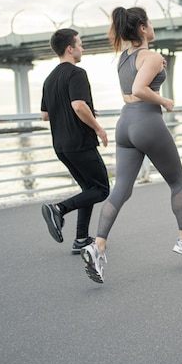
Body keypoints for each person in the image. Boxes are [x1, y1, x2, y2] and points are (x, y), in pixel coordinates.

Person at [80, 6, 182, 284]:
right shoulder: (152, 55)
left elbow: (134, 85)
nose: (152, 26)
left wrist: (158, 70)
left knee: (121, 189)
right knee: (177, 183)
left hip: (125, 125)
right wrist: (165, 100)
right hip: (147, 122)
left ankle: (97, 247)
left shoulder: (124, 57)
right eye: (150, 23)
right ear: (143, 28)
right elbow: (139, 90)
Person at [40, 28, 111, 255]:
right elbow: (78, 106)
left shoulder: (49, 79)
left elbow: (45, 114)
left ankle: (81, 238)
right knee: (101, 189)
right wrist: (98, 128)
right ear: (70, 48)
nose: (82, 48)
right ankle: (58, 209)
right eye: (80, 44)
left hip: (61, 146)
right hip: (80, 142)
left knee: (88, 188)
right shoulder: (76, 73)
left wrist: (88, 110)